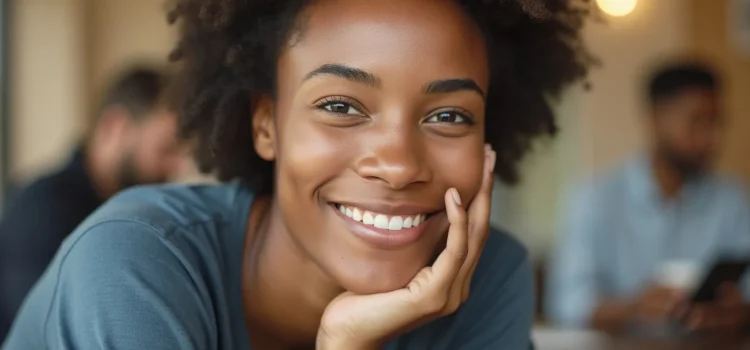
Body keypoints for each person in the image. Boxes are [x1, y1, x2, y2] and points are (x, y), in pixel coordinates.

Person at [3, 0, 592, 349]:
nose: (398, 164)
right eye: (340, 106)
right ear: (266, 126)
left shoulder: (488, 280)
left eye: (448, 116)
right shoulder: (132, 264)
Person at [547, 62, 750, 334]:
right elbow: (567, 304)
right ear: (655, 119)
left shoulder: (732, 199)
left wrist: (736, 313)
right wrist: (634, 308)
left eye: (716, 123)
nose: (711, 138)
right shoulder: (595, 199)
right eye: (697, 121)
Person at [0, 67, 186, 340]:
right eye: (165, 149)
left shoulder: (133, 213)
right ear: (116, 126)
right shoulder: (42, 211)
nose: (176, 168)